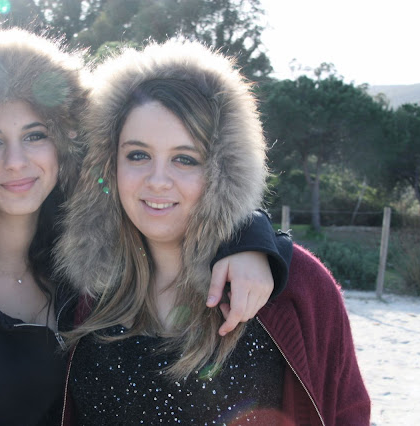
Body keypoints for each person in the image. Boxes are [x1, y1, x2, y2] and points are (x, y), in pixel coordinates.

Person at [0, 31, 292, 425]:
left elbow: (184, 219)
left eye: (35, 135)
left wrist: (250, 239)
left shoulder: (89, 277)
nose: (16, 161)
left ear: (66, 144)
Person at [57, 39, 370, 425]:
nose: (158, 180)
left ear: (223, 172)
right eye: (138, 155)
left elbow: (347, 412)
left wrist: (254, 236)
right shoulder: (84, 292)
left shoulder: (297, 287)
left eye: (185, 159)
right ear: (109, 165)